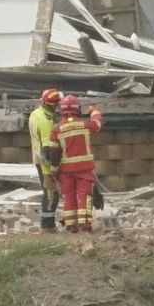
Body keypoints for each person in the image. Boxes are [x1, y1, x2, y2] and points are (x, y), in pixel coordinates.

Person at [45, 95, 104, 233]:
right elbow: (98, 124)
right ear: (78, 109)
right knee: (85, 196)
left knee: (69, 196)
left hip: (65, 170)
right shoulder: (85, 125)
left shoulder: (56, 129)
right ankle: (85, 226)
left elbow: (54, 153)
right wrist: (94, 111)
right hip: (84, 168)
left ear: (62, 110)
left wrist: (54, 171)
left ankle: (71, 225)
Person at [29, 89, 62, 231]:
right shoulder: (45, 120)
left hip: (38, 158)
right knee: (51, 193)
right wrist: (54, 165)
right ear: (52, 105)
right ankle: (47, 225)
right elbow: (47, 149)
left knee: (50, 192)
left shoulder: (36, 114)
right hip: (45, 162)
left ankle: (48, 224)